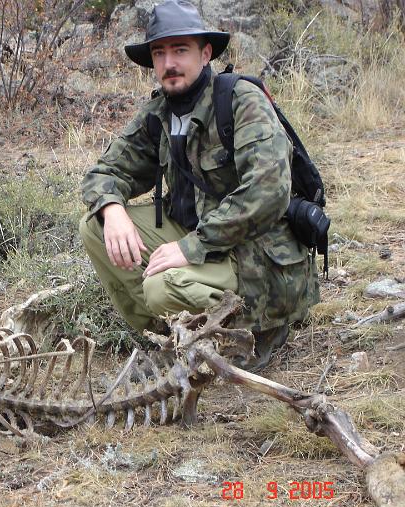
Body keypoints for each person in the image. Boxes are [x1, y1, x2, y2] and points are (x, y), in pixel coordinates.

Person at [79, 0, 319, 371]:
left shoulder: (241, 101)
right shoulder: (159, 113)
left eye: (180, 50)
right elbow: (104, 172)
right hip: (202, 239)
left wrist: (191, 247)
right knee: (94, 226)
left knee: (160, 286)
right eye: (159, 53)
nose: (169, 63)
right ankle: (172, 338)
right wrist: (112, 210)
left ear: (205, 54)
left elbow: (268, 192)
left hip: (257, 256)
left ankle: (250, 336)